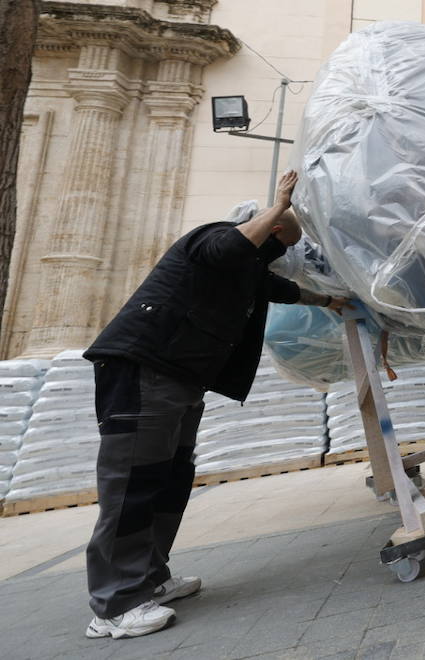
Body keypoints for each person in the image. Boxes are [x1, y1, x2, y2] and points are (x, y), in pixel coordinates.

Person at [82, 171, 347, 640]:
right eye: (281, 244)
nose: (281, 257)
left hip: (180, 380)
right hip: (144, 371)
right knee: (133, 485)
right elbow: (233, 248)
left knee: (170, 480)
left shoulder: (243, 274)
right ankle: (113, 607)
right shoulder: (215, 239)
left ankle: (150, 580)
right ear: (268, 231)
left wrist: (329, 300)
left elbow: (281, 291)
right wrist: (279, 204)